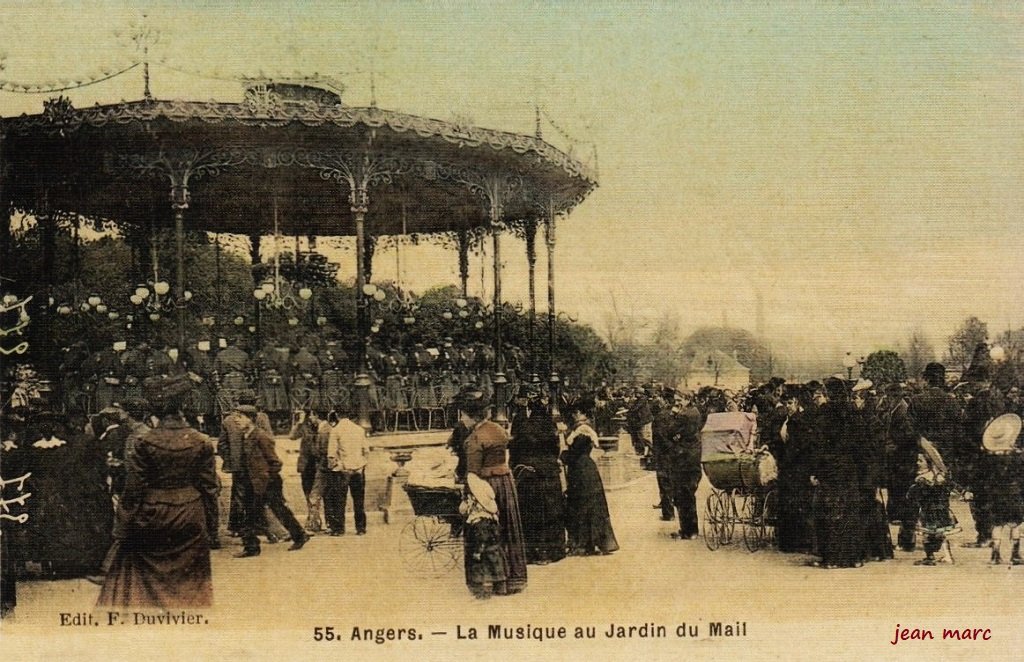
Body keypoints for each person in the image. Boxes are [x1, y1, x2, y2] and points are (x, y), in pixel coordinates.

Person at [97, 374, 218, 608]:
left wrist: (122, 528)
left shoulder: (144, 441)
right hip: (190, 513)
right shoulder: (201, 441)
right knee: (190, 583)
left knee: (147, 586)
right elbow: (209, 488)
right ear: (182, 408)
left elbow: (134, 491)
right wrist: (211, 527)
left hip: (152, 513)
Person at [458, 389, 527, 594]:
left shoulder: (474, 439)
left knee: (484, 532)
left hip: (486, 486)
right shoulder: (498, 429)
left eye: (463, 415)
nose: (462, 420)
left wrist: (467, 494)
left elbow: (472, 474)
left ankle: (487, 581)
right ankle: (512, 578)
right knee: (508, 528)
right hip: (505, 483)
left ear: (471, 416)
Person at [233, 403, 308, 557]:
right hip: (252, 482)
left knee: (278, 510)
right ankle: (252, 547)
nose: (236, 420)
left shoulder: (261, 436)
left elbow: (275, 462)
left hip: (267, 482)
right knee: (250, 514)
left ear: (250, 419)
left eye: (240, 417)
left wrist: (266, 479)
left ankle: (299, 536)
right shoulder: (244, 436)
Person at [809, 378, 864, 568]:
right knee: (849, 511)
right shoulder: (854, 412)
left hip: (829, 469)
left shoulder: (824, 412)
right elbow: (862, 444)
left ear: (829, 393)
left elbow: (817, 444)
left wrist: (816, 470)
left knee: (828, 511)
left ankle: (831, 558)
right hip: (849, 469)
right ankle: (852, 558)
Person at [509, 384, 565, 564]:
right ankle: (542, 552)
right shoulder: (539, 419)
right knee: (540, 511)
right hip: (537, 471)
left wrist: (519, 463)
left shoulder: (527, 420)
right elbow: (554, 446)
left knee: (537, 512)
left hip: (535, 471)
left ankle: (539, 553)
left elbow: (517, 445)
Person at [560, 407, 619, 556]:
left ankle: (584, 544)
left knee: (583, 505)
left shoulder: (582, 431)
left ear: (584, 414)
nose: (575, 415)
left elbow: (575, 453)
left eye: (578, 412)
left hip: (581, 470)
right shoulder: (584, 430)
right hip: (586, 469)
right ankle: (592, 542)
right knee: (590, 505)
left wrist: (562, 456)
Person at [459, 474, 508, 599]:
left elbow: (481, 537)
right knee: (496, 563)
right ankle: (501, 586)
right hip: (494, 547)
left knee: (483, 567)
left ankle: (485, 592)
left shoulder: (478, 521)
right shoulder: (490, 517)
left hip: (484, 548)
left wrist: (478, 550)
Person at [665, 391, 705, 541]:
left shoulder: (683, 415)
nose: (677, 404)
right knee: (689, 494)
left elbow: (669, 431)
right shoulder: (696, 412)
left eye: (679, 400)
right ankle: (692, 530)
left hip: (682, 459)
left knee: (681, 495)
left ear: (687, 399)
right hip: (694, 457)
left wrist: (673, 415)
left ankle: (686, 530)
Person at [325, 406, 370, 536]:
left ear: (337, 415)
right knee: (359, 501)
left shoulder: (336, 430)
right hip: (359, 469)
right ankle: (360, 528)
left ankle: (339, 529)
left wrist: (333, 468)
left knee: (339, 501)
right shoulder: (359, 429)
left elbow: (331, 454)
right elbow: (366, 451)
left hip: (343, 469)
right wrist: (362, 465)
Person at [906, 451, 955, 566]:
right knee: (939, 534)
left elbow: (917, 494)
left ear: (929, 463)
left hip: (929, 511)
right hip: (939, 510)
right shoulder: (937, 476)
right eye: (917, 460)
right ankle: (946, 555)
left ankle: (930, 557)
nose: (918, 463)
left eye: (921, 461)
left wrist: (913, 491)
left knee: (928, 535)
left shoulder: (923, 478)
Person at [290, 408, 329, 533]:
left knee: (317, 494)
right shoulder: (304, 426)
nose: (311, 418)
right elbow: (292, 436)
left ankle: (314, 522)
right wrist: (299, 422)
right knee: (308, 494)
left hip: (318, 464)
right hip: (306, 465)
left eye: (312, 415)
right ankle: (313, 521)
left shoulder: (324, 427)